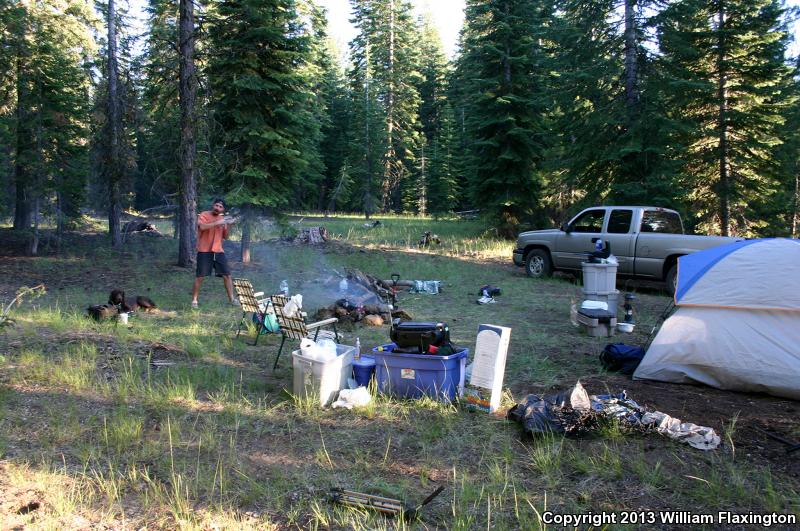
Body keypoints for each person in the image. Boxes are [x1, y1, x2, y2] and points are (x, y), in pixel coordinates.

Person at [191, 198, 237, 308]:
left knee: (227, 275)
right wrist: (218, 222)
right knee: (200, 276)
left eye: (220, 207)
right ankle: (194, 301)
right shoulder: (204, 215)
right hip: (204, 250)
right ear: (213, 205)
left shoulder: (223, 219)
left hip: (218, 250)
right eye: (216, 205)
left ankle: (232, 299)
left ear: (223, 209)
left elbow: (225, 236)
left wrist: (229, 224)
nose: (218, 208)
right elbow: (202, 227)